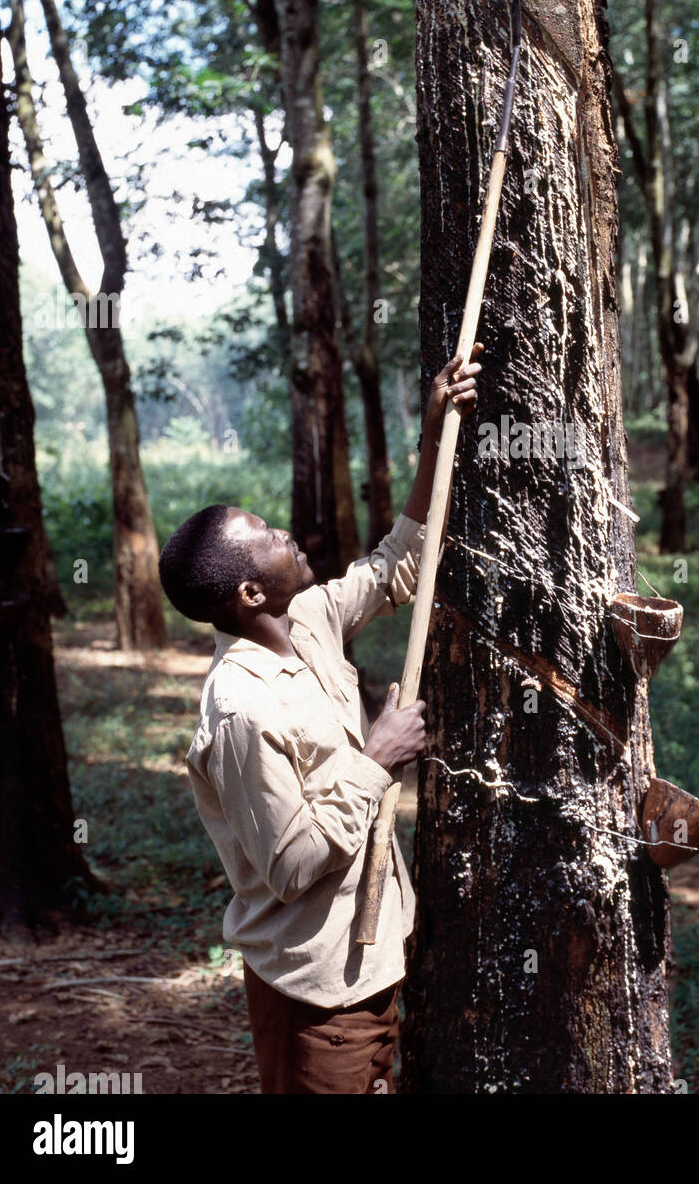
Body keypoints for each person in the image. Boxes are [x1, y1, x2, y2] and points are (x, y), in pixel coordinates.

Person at [157, 345, 483, 1094]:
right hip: (314, 992)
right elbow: (292, 864)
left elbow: (399, 562)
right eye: (266, 534)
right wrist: (376, 756)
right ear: (246, 593)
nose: (284, 534)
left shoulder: (304, 618)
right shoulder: (240, 709)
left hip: (368, 964)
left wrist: (436, 431)